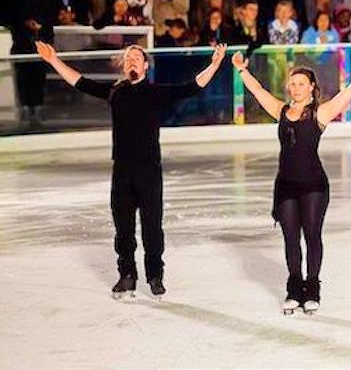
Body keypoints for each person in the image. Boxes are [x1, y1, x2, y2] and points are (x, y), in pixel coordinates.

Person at [35, 41, 227, 299]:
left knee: (152, 229)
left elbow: (193, 87)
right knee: (123, 229)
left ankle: (155, 276)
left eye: (137, 58)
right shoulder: (116, 92)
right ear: (124, 66)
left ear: (146, 65)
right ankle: (127, 275)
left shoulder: (154, 92)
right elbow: (81, 82)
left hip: (149, 171)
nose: (132, 61)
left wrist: (214, 64)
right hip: (122, 171)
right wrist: (53, 60)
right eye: (128, 59)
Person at [231, 43, 351, 314]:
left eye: (300, 83)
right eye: (292, 83)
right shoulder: (281, 111)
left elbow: (350, 90)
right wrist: (241, 70)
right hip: (285, 185)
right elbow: (259, 91)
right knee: (289, 239)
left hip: (313, 186)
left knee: (311, 236)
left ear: (311, 87)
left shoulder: (320, 113)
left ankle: (313, 287)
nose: (295, 87)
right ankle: (294, 288)